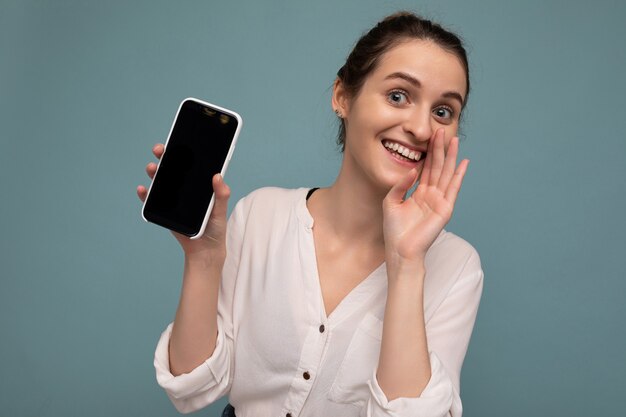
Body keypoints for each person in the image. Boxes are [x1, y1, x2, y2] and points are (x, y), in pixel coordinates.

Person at [137, 11, 483, 417]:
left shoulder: (458, 268)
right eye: (398, 96)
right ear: (343, 97)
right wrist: (203, 259)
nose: (422, 129)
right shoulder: (260, 215)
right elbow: (191, 388)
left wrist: (407, 264)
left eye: (443, 111)